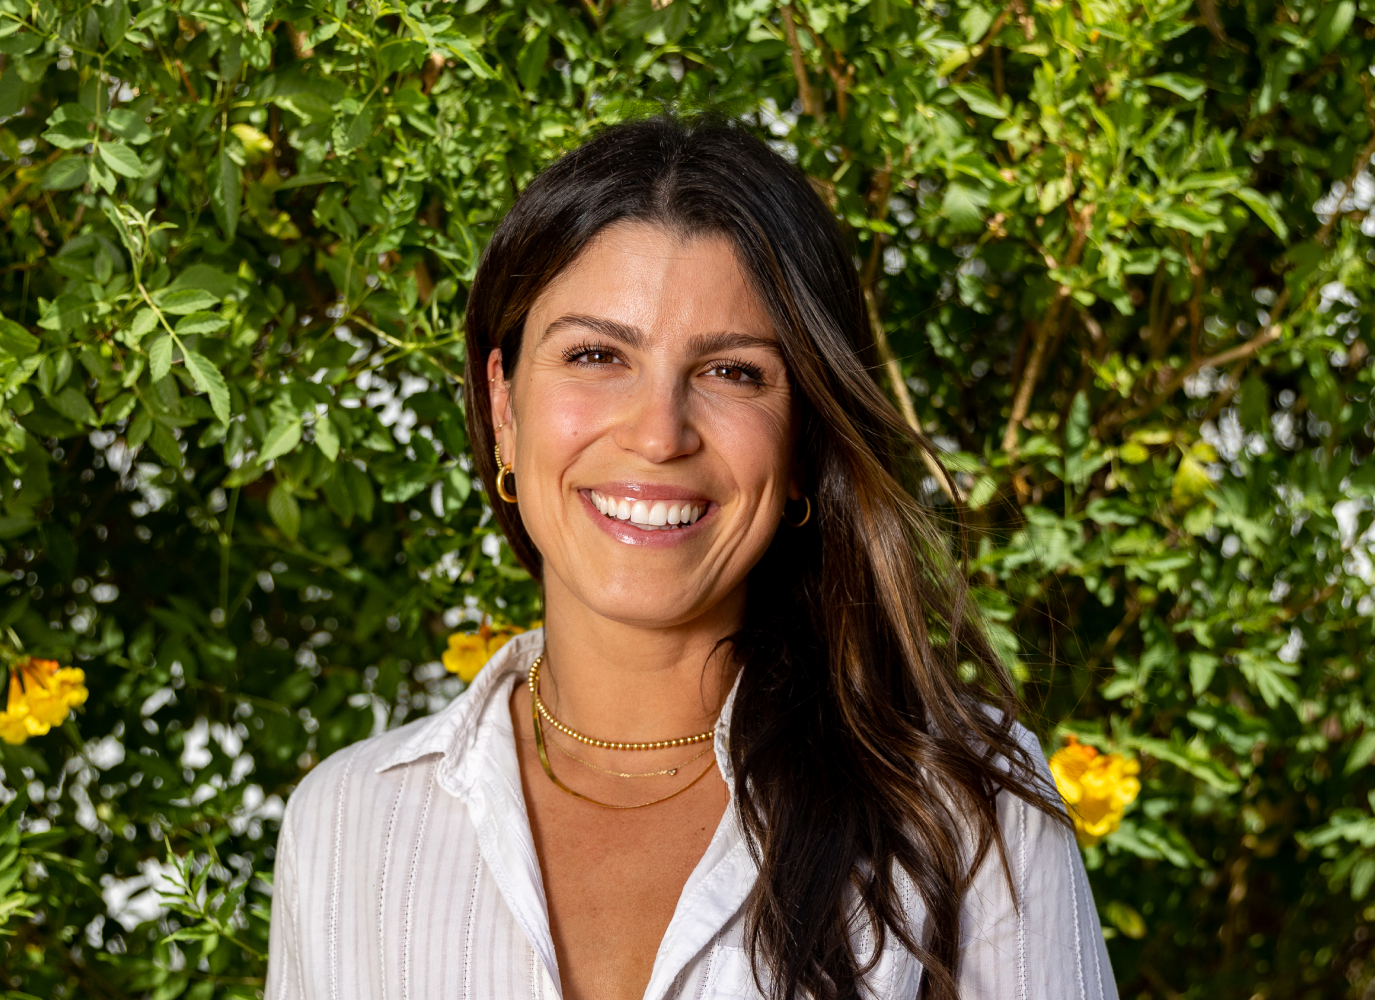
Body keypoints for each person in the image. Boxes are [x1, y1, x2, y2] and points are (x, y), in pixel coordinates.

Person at [263, 113, 1116, 1000]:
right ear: (503, 408)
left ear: (804, 442)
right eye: (596, 354)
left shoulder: (968, 809)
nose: (659, 433)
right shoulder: (346, 826)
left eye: (733, 372)